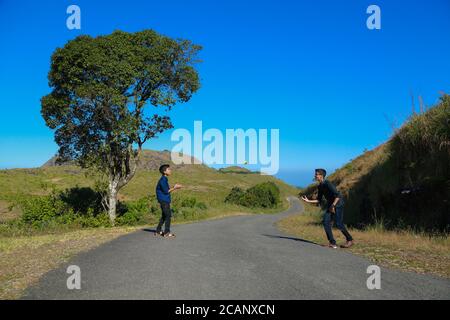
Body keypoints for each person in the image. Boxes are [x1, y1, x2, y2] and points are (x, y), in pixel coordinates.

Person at [301, 168, 354, 249]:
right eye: (315, 174)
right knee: (326, 222)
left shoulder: (328, 183)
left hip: (338, 204)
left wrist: (333, 205)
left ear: (321, 176)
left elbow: (338, 195)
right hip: (331, 205)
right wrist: (308, 201)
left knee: (339, 223)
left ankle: (350, 240)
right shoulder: (320, 186)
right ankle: (332, 243)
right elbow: (319, 200)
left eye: (316, 174)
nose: (315, 175)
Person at [155, 164, 182, 238]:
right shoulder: (163, 180)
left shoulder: (164, 179)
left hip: (164, 199)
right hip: (163, 200)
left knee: (164, 215)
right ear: (164, 171)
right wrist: (175, 187)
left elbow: (166, 190)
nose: (170, 170)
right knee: (168, 215)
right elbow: (166, 191)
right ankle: (166, 232)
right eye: (168, 169)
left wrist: (174, 187)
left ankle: (158, 230)